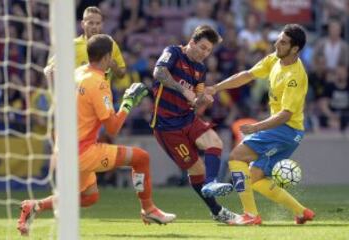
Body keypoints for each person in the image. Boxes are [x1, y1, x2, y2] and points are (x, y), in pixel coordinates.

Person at [17, 34, 176, 236]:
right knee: (141, 158)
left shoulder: (77, 73)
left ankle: (34, 206)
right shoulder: (98, 84)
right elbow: (112, 128)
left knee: (90, 196)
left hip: (65, 148)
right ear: (107, 57)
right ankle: (148, 209)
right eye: (113, 55)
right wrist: (128, 103)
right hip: (84, 151)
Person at [204, 24, 315, 225]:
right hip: (291, 133)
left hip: (285, 129)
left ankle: (250, 215)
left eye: (283, 42)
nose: (276, 44)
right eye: (278, 40)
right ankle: (301, 212)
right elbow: (247, 75)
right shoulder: (274, 59)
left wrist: (256, 127)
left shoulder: (295, 77)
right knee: (254, 178)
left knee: (237, 156)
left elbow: (285, 114)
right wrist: (217, 88)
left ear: (295, 49)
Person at [150, 25, 237, 223]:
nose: (205, 53)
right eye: (202, 48)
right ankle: (217, 211)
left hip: (187, 118)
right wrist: (183, 90)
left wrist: (203, 101)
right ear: (192, 42)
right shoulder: (173, 52)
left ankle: (212, 182)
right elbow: (159, 72)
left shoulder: (201, 69)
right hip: (166, 125)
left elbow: (196, 101)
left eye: (209, 50)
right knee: (197, 170)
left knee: (215, 142)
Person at [44, 6, 126, 82]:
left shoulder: (110, 44)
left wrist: (113, 65)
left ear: (102, 25)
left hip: (103, 95)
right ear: (83, 24)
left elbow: (122, 74)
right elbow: (49, 68)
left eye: (98, 23)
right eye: (91, 23)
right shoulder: (73, 45)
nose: (94, 27)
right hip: (78, 95)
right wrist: (52, 72)